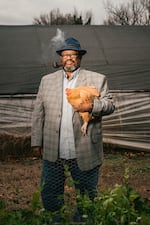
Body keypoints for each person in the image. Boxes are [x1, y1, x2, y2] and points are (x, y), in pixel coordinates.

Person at [31, 37, 115, 222]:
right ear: (61, 58)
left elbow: (110, 105)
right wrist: (36, 141)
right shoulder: (47, 81)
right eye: (65, 54)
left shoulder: (97, 79)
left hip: (84, 148)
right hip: (55, 148)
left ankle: (83, 220)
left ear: (79, 58)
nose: (69, 58)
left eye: (73, 54)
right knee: (50, 192)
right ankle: (55, 219)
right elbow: (38, 112)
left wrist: (91, 107)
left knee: (86, 195)